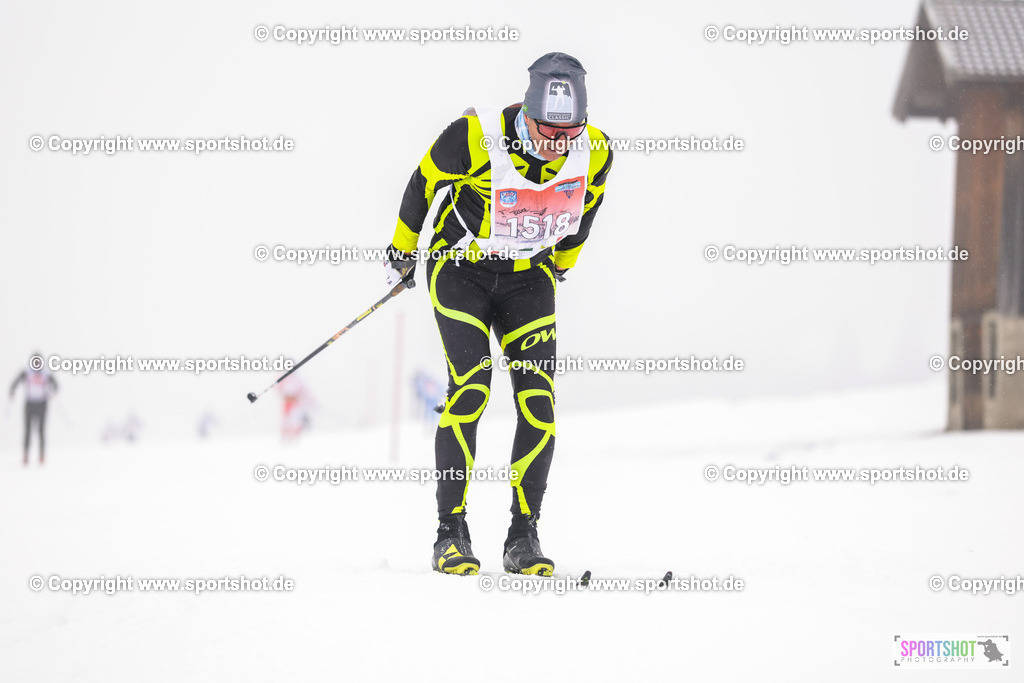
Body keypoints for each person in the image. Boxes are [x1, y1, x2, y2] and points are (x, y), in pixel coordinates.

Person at [384, 52, 613, 576]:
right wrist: (402, 252)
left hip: (528, 275)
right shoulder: (473, 135)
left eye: (568, 133)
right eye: (547, 132)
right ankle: (451, 533)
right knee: (473, 386)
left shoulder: (595, 150)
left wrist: (561, 265)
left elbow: (586, 211)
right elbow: (423, 183)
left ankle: (522, 536)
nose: (557, 145)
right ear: (526, 112)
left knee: (539, 401)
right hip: (459, 266)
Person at [9, 354, 59, 466]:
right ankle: (26, 455)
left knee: (41, 430)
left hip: (42, 404)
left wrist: (53, 391)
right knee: (28, 431)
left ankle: (41, 455)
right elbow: (15, 382)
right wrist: (12, 391)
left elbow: (56, 384)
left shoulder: (45, 373)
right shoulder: (27, 372)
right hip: (30, 404)